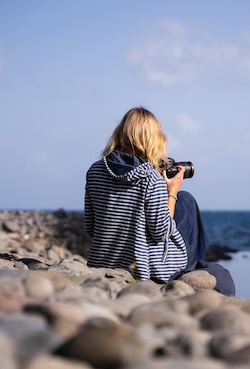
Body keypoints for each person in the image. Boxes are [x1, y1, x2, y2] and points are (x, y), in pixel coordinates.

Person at [84, 107, 234, 295]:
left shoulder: (95, 171)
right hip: (143, 269)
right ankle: (193, 266)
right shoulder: (150, 178)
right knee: (186, 201)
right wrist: (171, 192)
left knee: (185, 201)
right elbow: (160, 233)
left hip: (101, 262)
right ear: (152, 139)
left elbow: (91, 227)